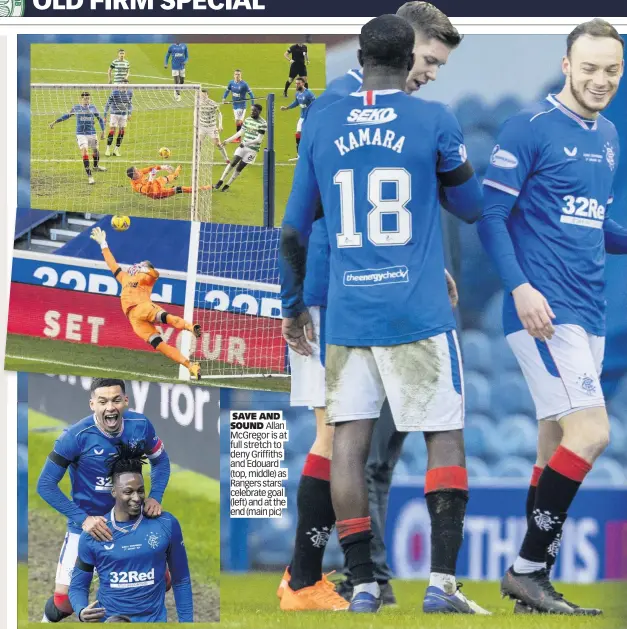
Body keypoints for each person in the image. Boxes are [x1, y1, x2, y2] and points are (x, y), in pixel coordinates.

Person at [280, 14, 489, 614]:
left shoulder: (321, 117)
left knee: (346, 439)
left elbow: (294, 228)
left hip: (346, 309)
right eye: (430, 60)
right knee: (443, 433)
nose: (432, 72)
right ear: (408, 56)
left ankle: (363, 583)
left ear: (363, 55)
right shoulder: (433, 119)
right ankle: (442, 585)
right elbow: (471, 207)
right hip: (416, 310)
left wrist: (290, 305)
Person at [478, 18, 626, 615]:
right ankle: (525, 570)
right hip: (545, 313)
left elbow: (595, 225)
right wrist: (519, 289)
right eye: (588, 68)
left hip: (587, 313)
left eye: (611, 70)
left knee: (550, 452)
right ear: (567, 65)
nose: (600, 80)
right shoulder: (529, 128)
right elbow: (491, 217)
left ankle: (532, 592)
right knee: (592, 434)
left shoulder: (609, 135)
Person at [37, 378, 171, 623]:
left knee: (161, 582)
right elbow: (45, 485)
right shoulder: (75, 437)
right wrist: (83, 519)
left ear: (126, 401)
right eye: (103, 401)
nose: (110, 407)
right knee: (63, 602)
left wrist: (155, 496)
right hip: (88, 526)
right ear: (92, 404)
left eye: (116, 400)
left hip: (132, 523)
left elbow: (161, 461)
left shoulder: (140, 425)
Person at [69, 442, 193, 622]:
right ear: (113, 491)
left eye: (140, 491)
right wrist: (81, 611)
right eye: (128, 492)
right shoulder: (94, 533)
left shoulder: (165, 524)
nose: (136, 498)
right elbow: (78, 586)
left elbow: (181, 580)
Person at [90, 226, 202, 380]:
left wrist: (145, 268)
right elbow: (112, 265)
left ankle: (191, 327)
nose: (136, 265)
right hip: (134, 320)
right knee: (161, 346)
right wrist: (103, 244)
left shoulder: (145, 279)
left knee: (168, 318)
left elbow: (154, 274)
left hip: (143, 307)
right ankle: (191, 366)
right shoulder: (124, 278)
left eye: (140, 264)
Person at [49, 91, 106, 185]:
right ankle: (90, 176)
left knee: (95, 151)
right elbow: (66, 116)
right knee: (85, 152)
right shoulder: (76, 108)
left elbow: (99, 119)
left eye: (88, 98)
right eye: (85, 99)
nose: (86, 100)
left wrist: (103, 131)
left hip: (92, 133)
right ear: (81, 99)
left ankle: (96, 166)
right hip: (81, 134)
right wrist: (55, 122)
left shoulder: (93, 108)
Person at [214, 103, 266, 192]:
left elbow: (259, 140)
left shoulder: (263, 123)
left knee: (239, 168)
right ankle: (220, 181)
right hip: (243, 146)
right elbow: (240, 133)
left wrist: (246, 144)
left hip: (252, 150)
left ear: (259, 112)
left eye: (254, 111)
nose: (252, 112)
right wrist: (227, 141)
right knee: (233, 162)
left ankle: (227, 185)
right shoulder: (247, 120)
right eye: (251, 110)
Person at [126, 163, 211, 198]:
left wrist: (164, 167)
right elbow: (147, 191)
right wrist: (151, 178)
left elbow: (151, 168)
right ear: (133, 175)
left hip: (156, 182)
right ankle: (204, 188)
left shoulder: (139, 173)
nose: (139, 171)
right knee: (179, 189)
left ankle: (176, 174)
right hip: (156, 192)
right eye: (136, 171)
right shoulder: (136, 186)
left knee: (169, 177)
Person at [280, 77, 316, 158]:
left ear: (303, 84)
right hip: (302, 117)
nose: (296, 85)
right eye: (296, 83)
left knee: (309, 135)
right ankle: (299, 154)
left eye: (298, 83)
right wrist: (287, 108)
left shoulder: (309, 94)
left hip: (310, 118)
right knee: (298, 133)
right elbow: (296, 102)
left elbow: (316, 104)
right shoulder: (297, 93)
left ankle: (312, 152)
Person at [199, 88, 229, 164]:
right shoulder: (198, 103)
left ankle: (226, 158)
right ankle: (197, 159)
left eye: (205, 95)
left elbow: (219, 114)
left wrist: (220, 125)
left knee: (218, 143)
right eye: (202, 95)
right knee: (198, 143)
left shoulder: (212, 103)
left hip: (212, 127)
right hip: (202, 127)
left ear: (207, 95)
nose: (203, 97)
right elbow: (196, 113)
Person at [104, 79, 133, 157]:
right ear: (120, 84)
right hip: (114, 114)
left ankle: (116, 150)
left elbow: (130, 104)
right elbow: (108, 103)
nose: (125, 86)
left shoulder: (130, 92)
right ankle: (108, 149)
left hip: (123, 115)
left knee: (122, 131)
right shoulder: (115, 92)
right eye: (123, 84)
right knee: (112, 130)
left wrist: (129, 113)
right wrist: (105, 115)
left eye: (126, 85)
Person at [222, 69, 255, 134]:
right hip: (235, 105)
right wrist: (224, 98)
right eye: (236, 74)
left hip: (241, 105)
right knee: (237, 121)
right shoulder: (231, 83)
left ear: (241, 75)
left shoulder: (244, 84)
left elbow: (251, 94)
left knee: (238, 121)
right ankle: (247, 129)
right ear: (234, 75)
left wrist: (252, 104)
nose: (237, 76)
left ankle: (238, 136)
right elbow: (227, 91)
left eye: (238, 74)